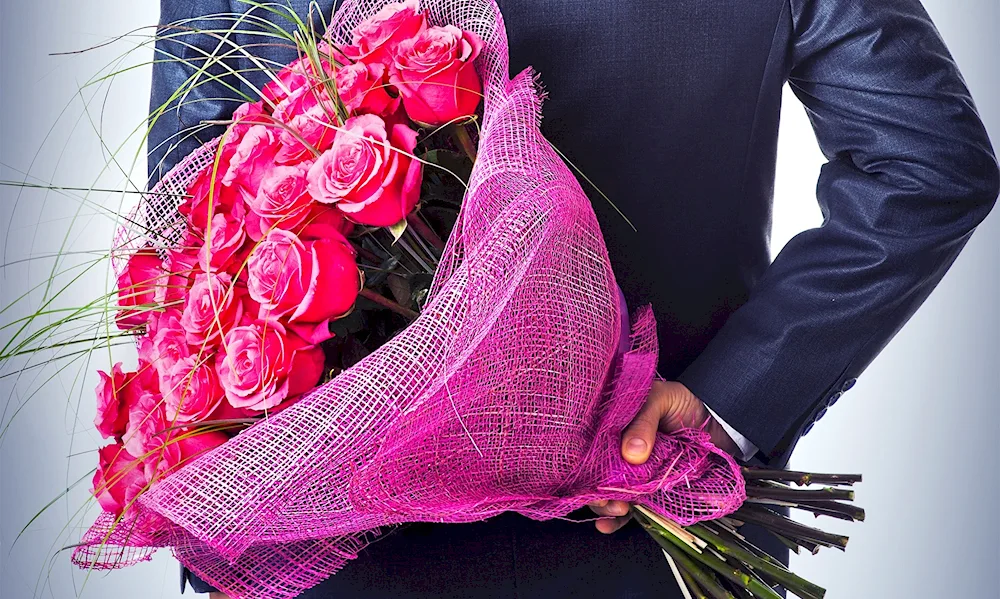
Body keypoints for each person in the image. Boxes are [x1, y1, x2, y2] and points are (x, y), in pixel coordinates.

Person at [148, 0, 999, 597]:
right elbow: (927, 161)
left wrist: (221, 517)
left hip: (320, 544)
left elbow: (188, 218)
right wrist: (726, 402)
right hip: (646, 529)